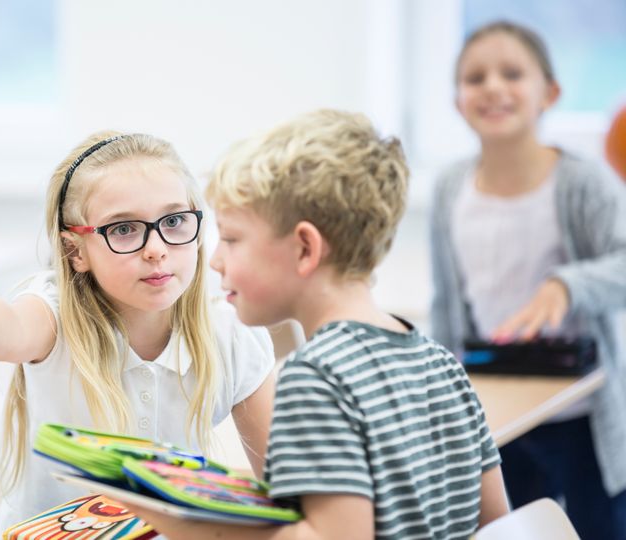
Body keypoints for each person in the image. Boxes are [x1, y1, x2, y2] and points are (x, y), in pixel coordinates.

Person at [123, 110, 509, 539]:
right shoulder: (440, 362)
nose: (215, 260)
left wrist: (184, 519)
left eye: (231, 239)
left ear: (305, 248)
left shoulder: (316, 377)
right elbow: (500, 527)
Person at [0, 131, 276, 534]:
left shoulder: (232, 333)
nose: (156, 248)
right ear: (75, 251)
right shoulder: (55, 318)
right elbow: (8, 321)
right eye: (123, 229)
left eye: (173, 221)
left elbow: (284, 487)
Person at [430, 20, 626, 539]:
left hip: (584, 417)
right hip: (496, 417)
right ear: (457, 102)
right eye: (475, 78)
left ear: (550, 93)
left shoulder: (581, 181)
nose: (493, 87)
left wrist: (566, 285)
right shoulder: (450, 189)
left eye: (512, 74)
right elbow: (447, 304)